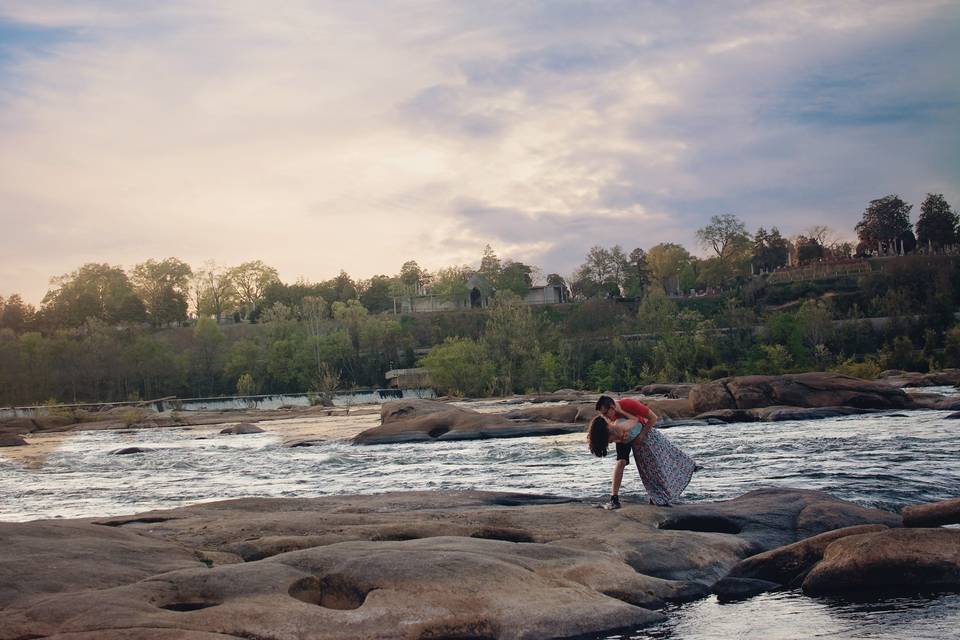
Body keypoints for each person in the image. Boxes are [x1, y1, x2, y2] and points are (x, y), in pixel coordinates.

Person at [588, 395, 696, 509]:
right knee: (621, 462)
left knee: (657, 463)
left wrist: (641, 435)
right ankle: (614, 498)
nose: (605, 417)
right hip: (621, 432)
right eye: (602, 415)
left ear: (612, 407)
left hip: (641, 431)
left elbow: (653, 418)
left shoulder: (629, 404)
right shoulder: (611, 423)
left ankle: (661, 493)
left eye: (605, 413)